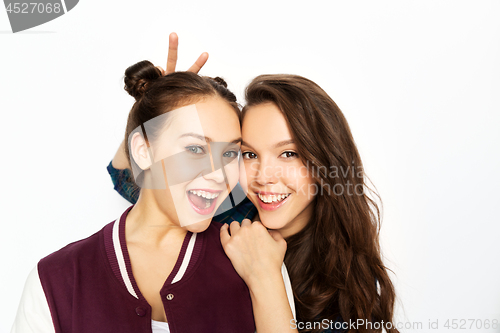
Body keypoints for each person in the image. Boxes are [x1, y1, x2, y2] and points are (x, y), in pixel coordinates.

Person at [108, 35, 398, 332]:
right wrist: (162, 116)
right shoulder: (221, 214)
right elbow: (126, 178)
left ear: (325, 163)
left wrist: (265, 277)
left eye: (289, 153)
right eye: (248, 154)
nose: (264, 176)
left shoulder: (343, 284)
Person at [11, 57, 259, 332]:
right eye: (196, 149)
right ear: (143, 150)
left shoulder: (254, 263)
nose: (219, 173)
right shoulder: (55, 280)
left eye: (229, 153)